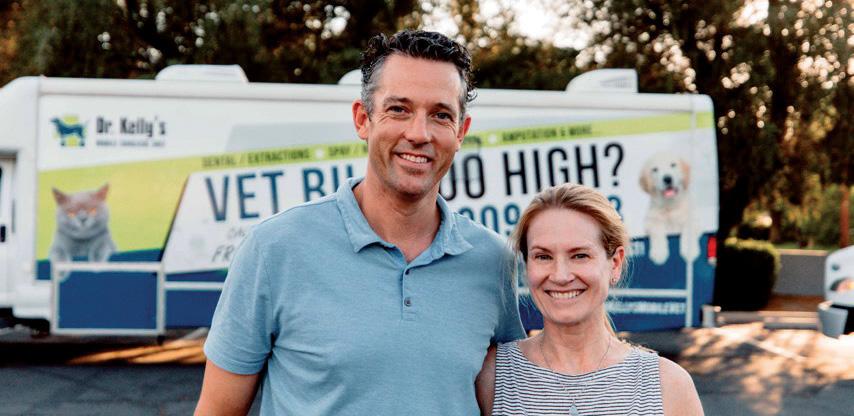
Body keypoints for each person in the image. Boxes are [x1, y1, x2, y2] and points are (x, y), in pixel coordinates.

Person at [194, 30, 526, 416]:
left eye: (440, 115)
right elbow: (216, 409)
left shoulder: (492, 260)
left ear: (461, 132)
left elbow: (509, 402)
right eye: (399, 109)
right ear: (362, 119)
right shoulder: (275, 249)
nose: (419, 134)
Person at [476, 183, 704, 416]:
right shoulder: (492, 377)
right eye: (543, 256)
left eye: (580, 255)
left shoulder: (668, 386)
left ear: (615, 263)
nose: (560, 276)